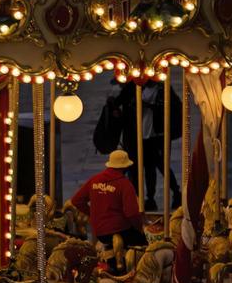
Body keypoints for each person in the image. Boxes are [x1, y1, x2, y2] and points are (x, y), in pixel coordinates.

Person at [68, 149, 146, 261]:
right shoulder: (125, 184)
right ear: (125, 167)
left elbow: (76, 200)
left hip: (100, 232)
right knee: (145, 246)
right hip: (121, 230)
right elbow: (132, 213)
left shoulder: (95, 180)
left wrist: (94, 214)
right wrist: (140, 228)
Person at [139, 82, 180, 211]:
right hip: (144, 134)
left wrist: (150, 106)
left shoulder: (164, 88)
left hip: (159, 134)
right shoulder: (141, 88)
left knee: (162, 165)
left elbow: (171, 106)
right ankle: (150, 198)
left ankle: (176, 192)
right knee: (149, 168)